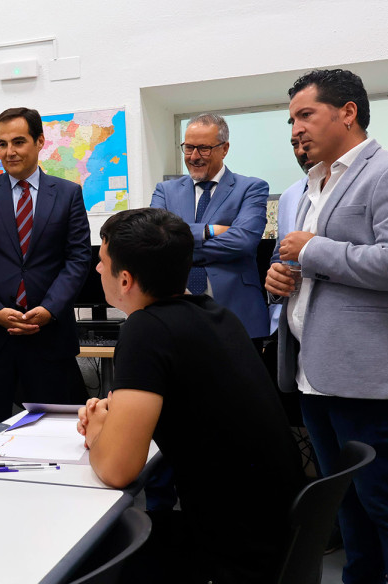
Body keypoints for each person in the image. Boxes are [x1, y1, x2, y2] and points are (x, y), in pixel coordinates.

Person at [266, 68, 388, 583]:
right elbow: (316, 269)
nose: (295, 129)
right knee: (348, 508)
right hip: (314, 373)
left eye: (305, 114)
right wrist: (283, 277)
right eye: (291, 119)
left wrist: (312, 250)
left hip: (370, 377)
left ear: (348, 112)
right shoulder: (311, 186)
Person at [78, 208, 304, 584]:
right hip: (277, 537)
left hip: (231, 556)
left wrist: (98, 431)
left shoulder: (146, 330)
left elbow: (117, 470)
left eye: (102, 262)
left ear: (126, 279)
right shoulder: (218, 316)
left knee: (95, 553)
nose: (98, 271)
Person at [0, 107, 92, 434]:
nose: (9, 151)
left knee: (58, 433)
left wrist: (49, 309)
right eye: (1, 144)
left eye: (18, 142)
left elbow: (77, 258)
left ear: (40, 141)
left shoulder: (68, 194)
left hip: (48, 333)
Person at [150, 113, 270, 341]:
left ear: (224, 149)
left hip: (238, 315)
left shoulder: (251, 188)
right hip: (176, 314)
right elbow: (156, 243)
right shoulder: (165, 191)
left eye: (203, 148)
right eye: (188, 148)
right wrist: (208, 231)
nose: (194, 156)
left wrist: (179, 244)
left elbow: (242, 242)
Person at [268, 135, 313, 333]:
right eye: (295, 144)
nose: (301, 151)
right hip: (290, 325)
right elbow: (280, 254)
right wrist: (276, 276)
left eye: (307, 142)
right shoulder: (289, 195)